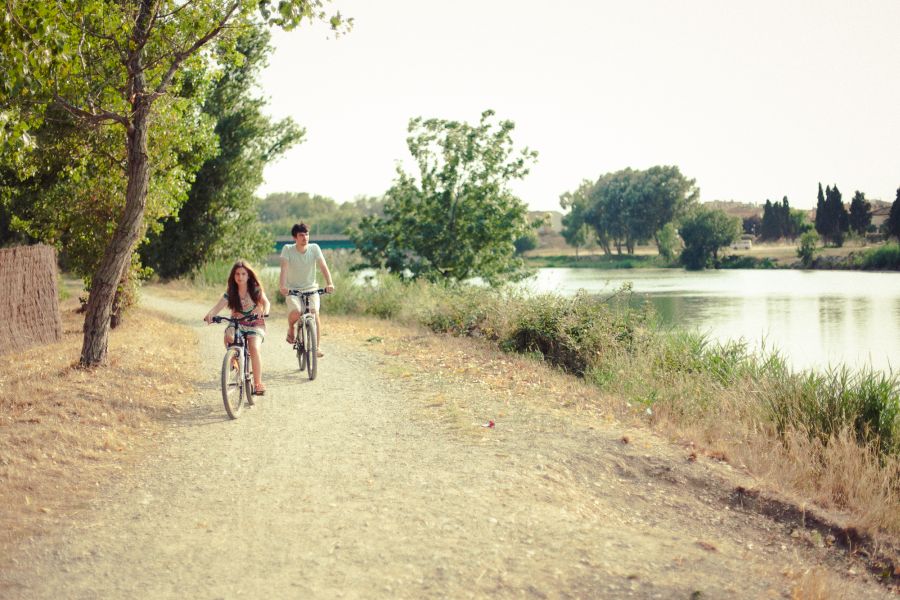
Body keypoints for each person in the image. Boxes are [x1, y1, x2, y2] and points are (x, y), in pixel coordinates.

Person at [204, 260, 271, 395]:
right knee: (228, 337)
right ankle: (234, 359)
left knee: (254, 347)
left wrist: (264, 311)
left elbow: (266, 303)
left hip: (254, 323)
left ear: (248, 276)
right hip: (237, 323)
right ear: (233, 277)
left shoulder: (255, 289)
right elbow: (219, 306)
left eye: (243, 274)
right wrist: (211, 314)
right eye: (237, 274)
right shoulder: (231, 291)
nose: (240, 277)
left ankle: (257, 383)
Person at [279, 222, 335, 357]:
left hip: (311, 289)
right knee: (297, 311)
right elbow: (284, 269)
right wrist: (283, 286)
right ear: (295, 238)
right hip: (293, 290)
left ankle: (316, 347)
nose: (305, 238)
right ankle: (291, 328)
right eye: (301, 235)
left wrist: (330, 283)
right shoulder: (287, 249)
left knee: (315, 313)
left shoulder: (314, 248)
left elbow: (323, 266)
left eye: (307, 234)